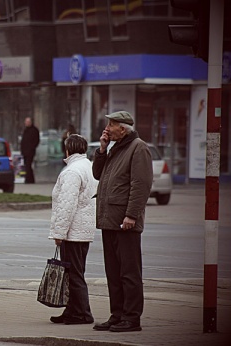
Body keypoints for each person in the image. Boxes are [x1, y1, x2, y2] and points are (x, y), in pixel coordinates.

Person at [91, 111, 153, 333]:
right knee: (114, 273)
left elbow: (141, 185)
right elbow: (97, 174)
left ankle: (131, 318)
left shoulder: (138, 148)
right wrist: (101, 149)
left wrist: (132, 215)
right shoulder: (114, 148)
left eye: (112, 124)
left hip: (125, 221)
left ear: (123, 128)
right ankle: (117, 315)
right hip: (109, 221)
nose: (107, 128)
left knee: (129, 273)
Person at [48, 134, 98, 325]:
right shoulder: (88, 166)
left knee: (74, 274)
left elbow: (66, 205)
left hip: (73, 232)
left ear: (67, 149)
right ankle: (71, 310)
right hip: (83, 230)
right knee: (74, 273)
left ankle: (83, 313)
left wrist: (59, 233)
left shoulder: (71, 172)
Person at [20, 117, 40, 183]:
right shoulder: (25, 130)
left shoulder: (34, 130)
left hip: (30, 151)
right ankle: (31, 179)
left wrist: (32, 147)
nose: (26, 123)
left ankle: (28, 179)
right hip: (25, 151)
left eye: (27, 122)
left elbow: (36, 140)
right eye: (26, 122)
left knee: (28, 165)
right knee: (27, 165)